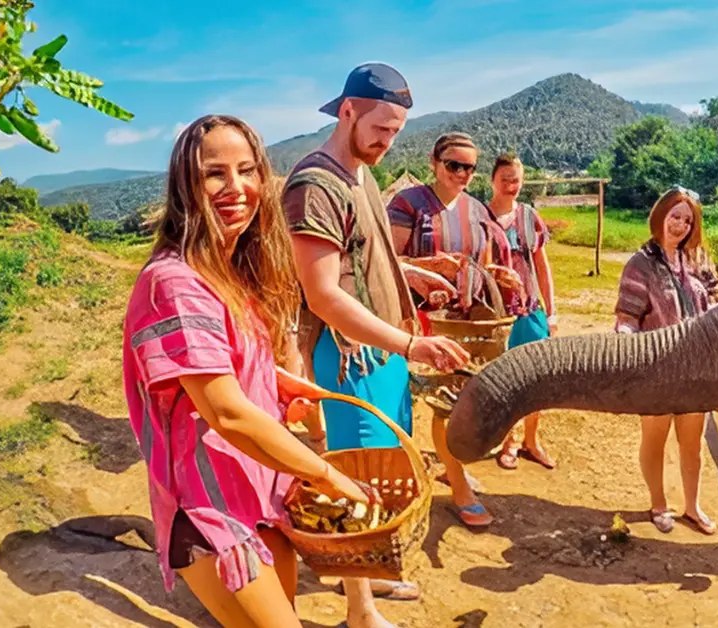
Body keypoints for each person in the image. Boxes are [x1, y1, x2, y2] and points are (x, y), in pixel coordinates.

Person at [122, 114, 378, 627]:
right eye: (215, 173)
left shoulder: (233, 271)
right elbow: (227, 413)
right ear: (185, 185)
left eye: (247, 170)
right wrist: (326, 474)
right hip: (210, 507)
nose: (235, 188)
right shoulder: (174, 283)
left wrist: (279, 387)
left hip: (261, 486)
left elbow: (229, 374)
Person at [282, 63, 470, 627]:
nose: (388, 142)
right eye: (381, 129)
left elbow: (355, 262)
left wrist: (412, 270)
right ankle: (359, 611)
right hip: (349, 357)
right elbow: (323, 295)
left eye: (395, 132)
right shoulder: (314, 186)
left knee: (387, 469)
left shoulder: (361, 173)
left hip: (383, 350)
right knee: (355, 483)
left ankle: (372, 579)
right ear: (347, 112)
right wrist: (411, 344)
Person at [386, 131, 504, 528]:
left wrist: (498, 276)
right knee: (438, 402)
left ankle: (449, 473)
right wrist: (432, 267)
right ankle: (458, 488)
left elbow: (481, 263)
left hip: (462, 320)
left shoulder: (476, 210)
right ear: (434, 163)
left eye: (469, 167)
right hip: (415, 321)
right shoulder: (408, 204)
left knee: (456, 401)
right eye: (453, 164)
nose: (462, 173)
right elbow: (387, 261)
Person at [614, 185, 718, 535]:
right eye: (675, 216)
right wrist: (626, 344)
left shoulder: (698, 260)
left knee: (693, 444)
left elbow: (717, 305)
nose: (681, 225)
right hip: (657, 368)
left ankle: (692, 506)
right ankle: (658, 503)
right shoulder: (640, 264)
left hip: (696, 369)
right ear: (661, 216)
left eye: (688, 220)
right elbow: (627, 317)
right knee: (654, 439)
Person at [485, 153, 558, 471]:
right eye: (505, 180)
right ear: (492, 181)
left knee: (536, 381)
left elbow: (542, 266)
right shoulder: (480, 217)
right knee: (505, 381)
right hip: (497, 315)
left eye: (516, 180)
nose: (511, 186)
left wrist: (551, 312)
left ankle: (531, 440)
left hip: (531, 311)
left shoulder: (530, 217)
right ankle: (508, 441)